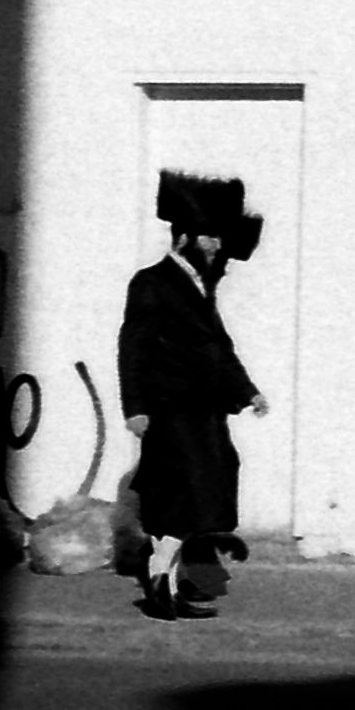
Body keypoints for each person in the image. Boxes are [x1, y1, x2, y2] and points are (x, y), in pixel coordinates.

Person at [118, 170, 267, 620]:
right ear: (183, 238)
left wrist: (248, 391)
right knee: (190, 490)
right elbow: (133, 347)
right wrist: (136, 407)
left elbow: (217, 347)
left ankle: (166, 577)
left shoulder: (202, 285)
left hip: (203, 409)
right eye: (209, 238)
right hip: (170, 408)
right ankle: (160, 574)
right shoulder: (152, 282)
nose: (216, 247)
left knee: (201, 489)